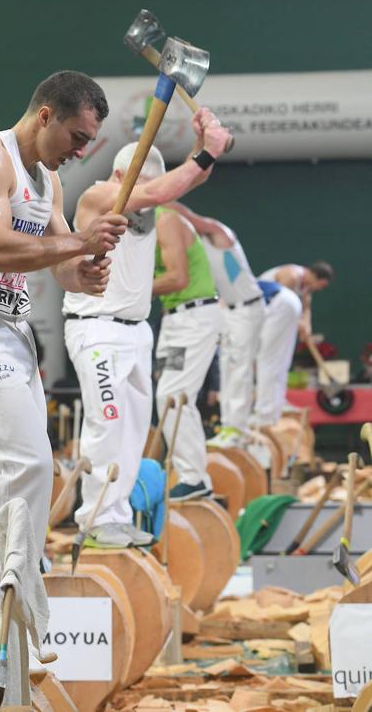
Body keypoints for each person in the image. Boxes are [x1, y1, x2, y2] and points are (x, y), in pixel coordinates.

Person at [0, 70, 128, 661]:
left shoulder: (49, 184)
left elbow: (59, 260)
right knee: (29, 463)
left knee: (4, 476)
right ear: (45, 116)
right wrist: (79, 245)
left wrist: (83, 274)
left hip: (11, 334)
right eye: (77, 135)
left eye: (89, 141)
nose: (82, 150)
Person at [62, 113, 231, 548]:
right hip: (96, 330)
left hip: (136, 331)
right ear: (121, 175)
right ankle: (95, 518)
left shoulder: (153, 198)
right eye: (140, 186)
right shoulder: (99, 194)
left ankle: (114, 516)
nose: (147, 197)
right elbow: (160, 189)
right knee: (108, 422)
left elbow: (180, 185)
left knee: (135, 430)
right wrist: (206, 150)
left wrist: (201, 144)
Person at [171, 204, 265, 449]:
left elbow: (192, 218)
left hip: (248, 307)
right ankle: (228, 426)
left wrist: (158, 198)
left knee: (239, 369)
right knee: (227, 368)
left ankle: (238, 429)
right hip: (230, 310)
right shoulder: (198, 246)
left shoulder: (218, 232)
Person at [153, 207, 222, 501]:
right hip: (173, 320)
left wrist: (128, 291)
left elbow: (178, 278)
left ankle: (194, 477)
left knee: (173, 395)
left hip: (192, 318)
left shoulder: (164, 218)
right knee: (164, 392)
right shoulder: (145, 222)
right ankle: (190, 473)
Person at [254, 261, 334, 426]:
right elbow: (278, 302)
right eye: (322, 285)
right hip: (261, 318)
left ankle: (279, 401)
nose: (320, 289)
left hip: (277, 321)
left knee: (283, 361)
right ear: (314, 276)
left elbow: (306, 308)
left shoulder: (306, 287)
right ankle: (264, 408)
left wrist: (307, 325)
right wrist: (298, 323)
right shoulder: (291, 275)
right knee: (269, 361)